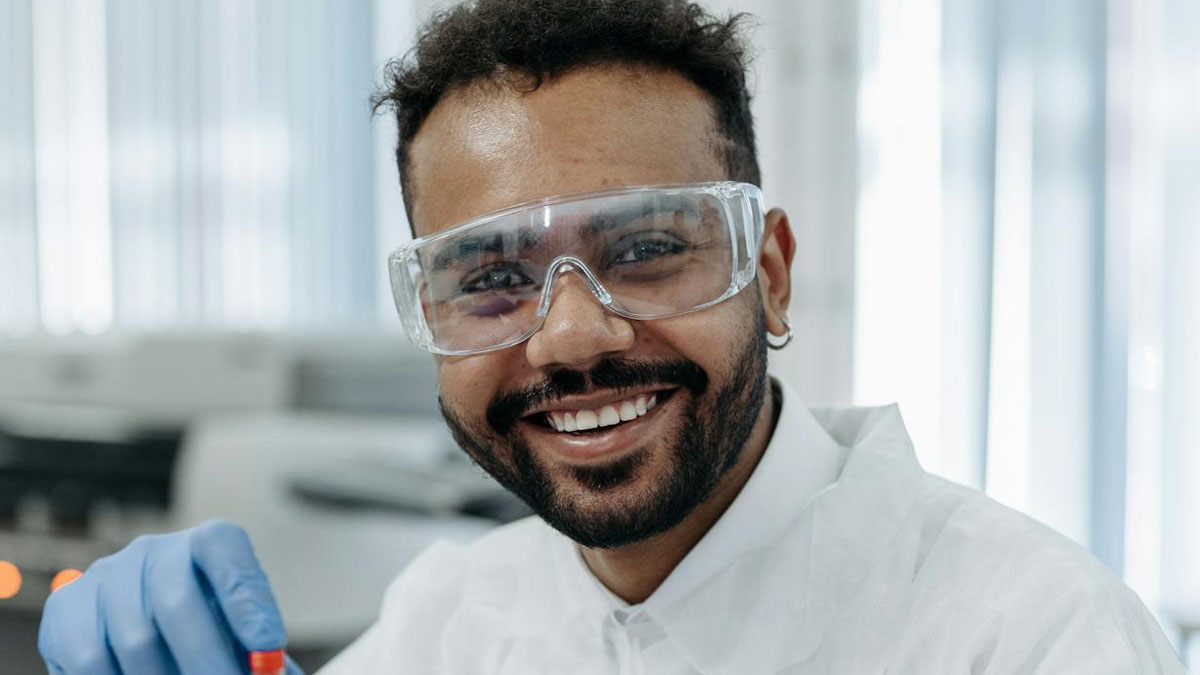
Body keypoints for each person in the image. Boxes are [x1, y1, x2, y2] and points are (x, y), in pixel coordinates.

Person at [37, 0, 1186, 673]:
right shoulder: (445, 626)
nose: (572, 337)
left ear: (770, 274)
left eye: (645, 250)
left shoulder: (1032, 636)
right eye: (489, 277)